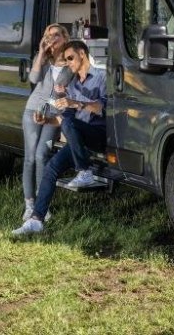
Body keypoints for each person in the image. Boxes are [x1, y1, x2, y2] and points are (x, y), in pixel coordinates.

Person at [12, 40, 107, 236]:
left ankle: (85, 171)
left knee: (70, 123)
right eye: (66, 60)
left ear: (82, 54)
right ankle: (36, 219)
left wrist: (76, 103)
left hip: (98, 134)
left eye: (71, 58)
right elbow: (63, 120)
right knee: (51, 167)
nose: (69, 63)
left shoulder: (101, 77)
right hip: (78, 138)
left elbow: (103, 108)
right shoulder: (71, 84)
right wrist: (45, 120)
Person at [20, 23, 70, 222]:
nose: (53, 38)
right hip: (33, 111)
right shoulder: (43, 60)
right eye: (49, 35)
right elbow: (32, 78)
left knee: (42, 156)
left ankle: (42, 206)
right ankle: (29, 204)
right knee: (30, 158)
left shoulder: (71, 61)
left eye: (57, 35)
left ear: (65, 38)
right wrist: (41, 53)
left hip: (53, 115)